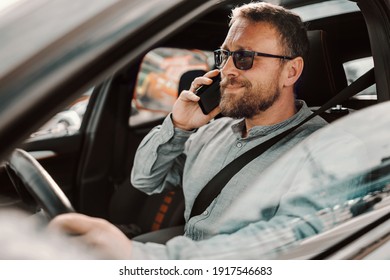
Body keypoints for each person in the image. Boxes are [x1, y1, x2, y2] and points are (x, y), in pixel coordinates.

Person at [48, 2, 330, 259]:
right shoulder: (211, 133)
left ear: (291, 72)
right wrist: (178, 125)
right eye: (224, 56)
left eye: (244, 57)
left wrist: (135, 255)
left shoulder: (322, 151)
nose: (227, 70)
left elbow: (284, 248)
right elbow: (146, 180)